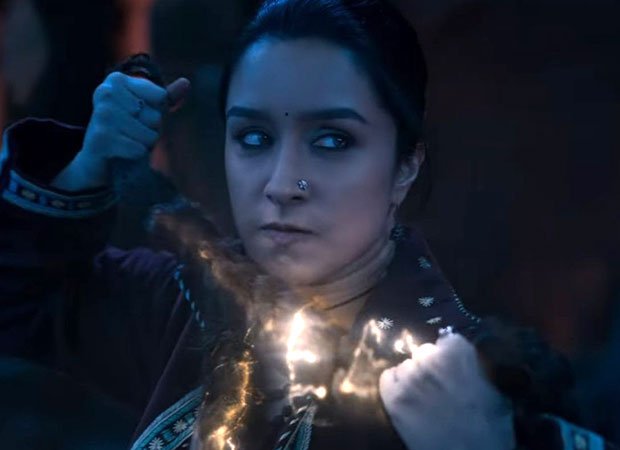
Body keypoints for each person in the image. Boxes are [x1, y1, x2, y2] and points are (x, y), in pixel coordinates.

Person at [0, 0, 614, 449]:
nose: (281, 183)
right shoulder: (185, 307)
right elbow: (18, 302)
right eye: (254, 137)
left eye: (332, 140)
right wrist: (84, 170)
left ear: (405, 166)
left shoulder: (481, 388)